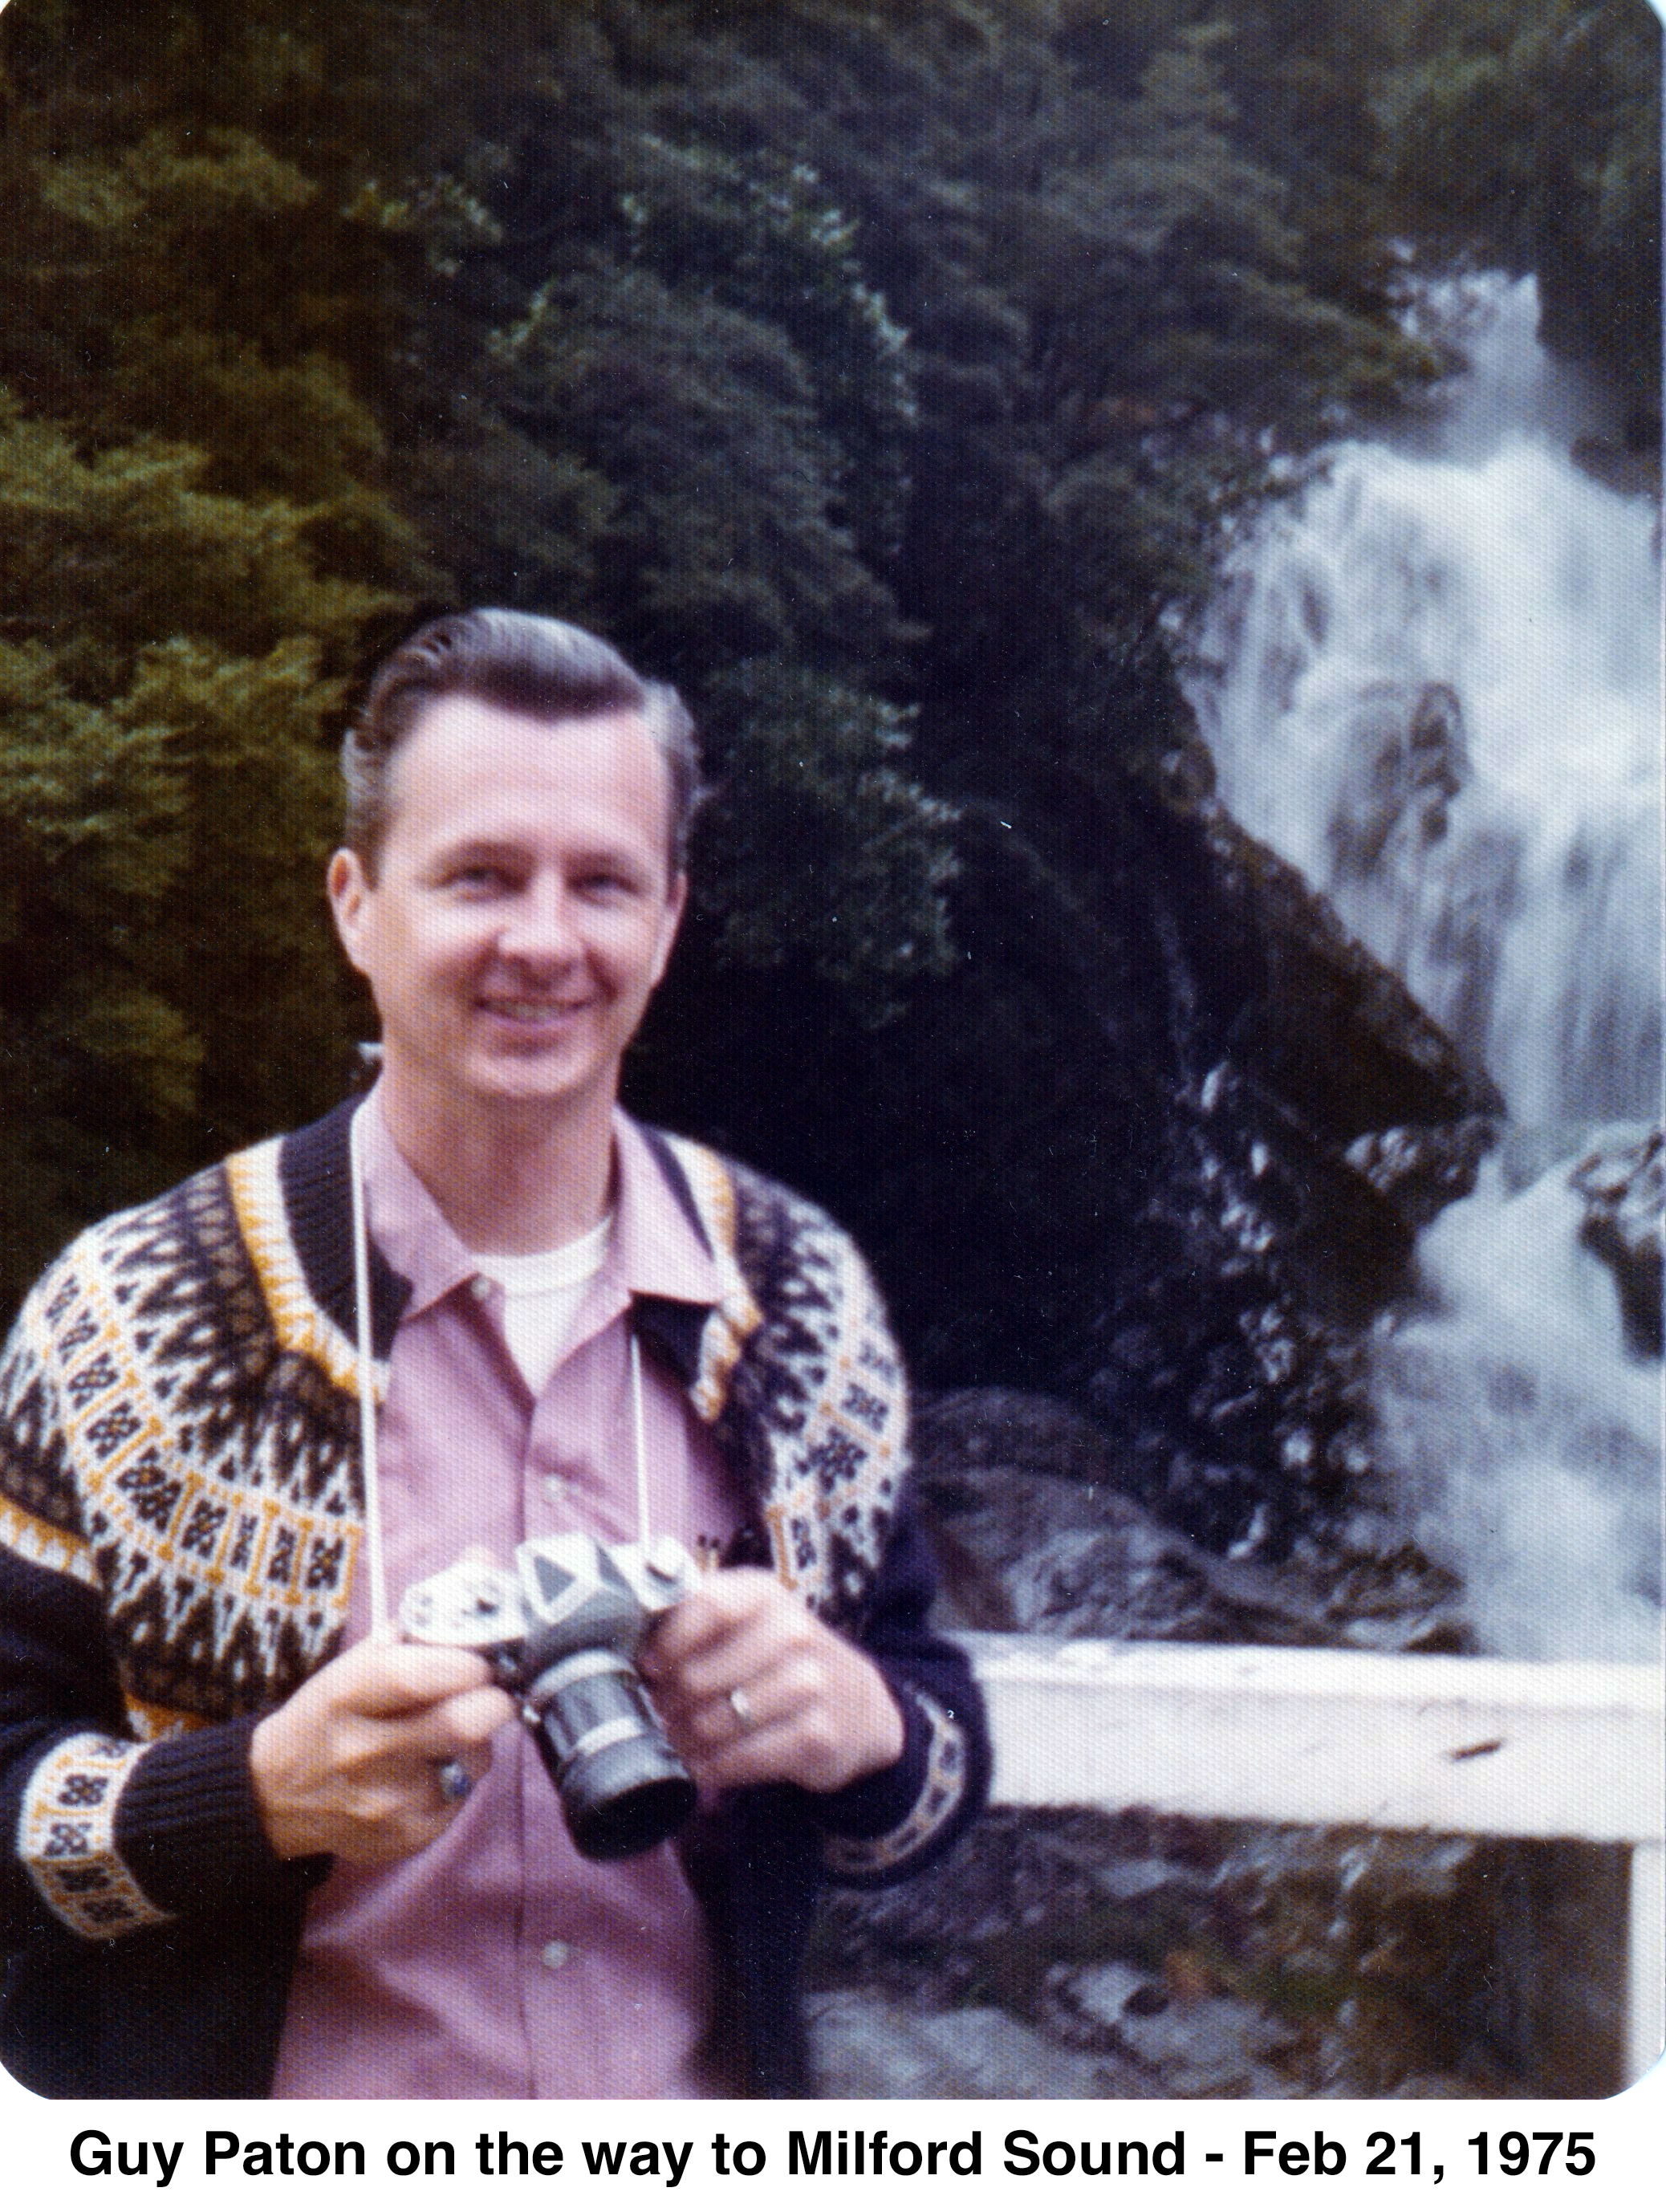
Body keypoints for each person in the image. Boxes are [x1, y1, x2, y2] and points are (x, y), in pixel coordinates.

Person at [0, 609, 988, 2099]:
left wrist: (865, 1729)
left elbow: (927, 1763)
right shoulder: (136, 1318)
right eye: (479, 877)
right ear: (355, 906)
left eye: (603, 883)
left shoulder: (793, 1300)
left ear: (668, 921)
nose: (544, 941)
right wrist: (254, 1797)